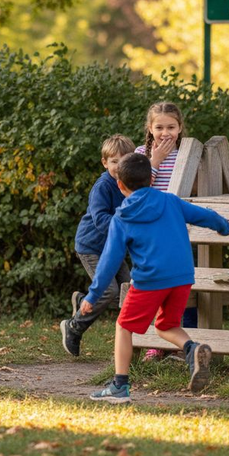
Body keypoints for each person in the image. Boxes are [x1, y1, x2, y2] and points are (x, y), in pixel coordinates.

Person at [81, 153, 229, 403]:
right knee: (165, 325)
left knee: (124, 326)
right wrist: (223, 226)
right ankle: (191, 349)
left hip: (150, 281)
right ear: (150, 180)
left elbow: (109, 261)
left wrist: (94, 294)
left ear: (120, 184)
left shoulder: (122, 217)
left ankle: (120, 386)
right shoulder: (170, 201)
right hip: (183, 277)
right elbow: (203, 215)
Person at [60, 134, 136, 357]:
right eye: (114, 161)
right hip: (92, 246)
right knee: (108, 290)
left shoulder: (130, 184)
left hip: (114, 249)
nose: (119, 166)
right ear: (105, 163)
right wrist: (124, 228)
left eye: (124, 160)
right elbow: (100, 218)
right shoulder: (103, 186)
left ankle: (83, 301)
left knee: (130, 291)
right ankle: (74, 327)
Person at [134, 101, 197, 361]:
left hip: (180, 230)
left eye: (171, 126)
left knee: (185, 286)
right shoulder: (140, 154)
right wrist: (155, 160)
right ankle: (154, 344)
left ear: (180, 128)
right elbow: (137, 190)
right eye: (159, 127)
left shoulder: (188, 154)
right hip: (151, 232)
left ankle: (187, 342)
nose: (165, 132)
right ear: (150, 128)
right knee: (154, 287)